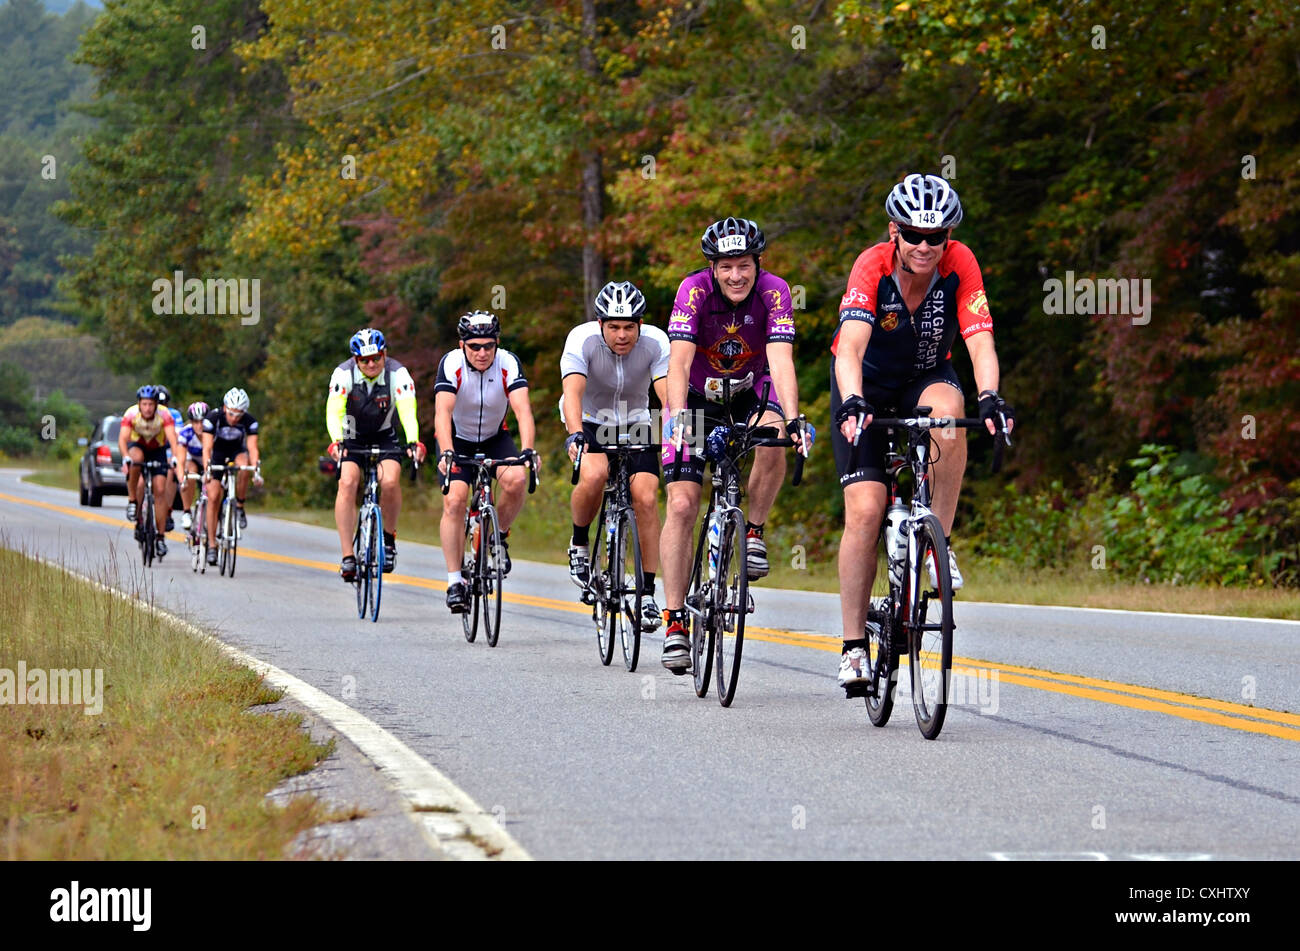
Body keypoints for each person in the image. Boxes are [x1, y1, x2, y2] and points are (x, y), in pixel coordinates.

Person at [831, 173, 1015, 690]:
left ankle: (937, 542)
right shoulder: (872, 265)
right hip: (863, 383)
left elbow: (980, 338)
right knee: (866, 512)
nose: (925, 246)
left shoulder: (961, 262)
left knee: (949, 419)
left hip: (925, 376)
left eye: (937, 237)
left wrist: (990, 397)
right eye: (914, 234)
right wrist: (851, 401)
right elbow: (850, 347)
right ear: (895, 231)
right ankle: (851, 649)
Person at [658, 217, 809, 672]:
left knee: (775, 432)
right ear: (712, 267)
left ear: (757, 263)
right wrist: (679, 415)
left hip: (750, 392)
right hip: (698, 398)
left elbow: (780, 361)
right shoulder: (693, 292)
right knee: (683, 505)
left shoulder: (776, 291)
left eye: (743, 265)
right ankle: (674, 619)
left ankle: (754, 531)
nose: (736, 276)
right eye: (726, 267)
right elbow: (679, 364)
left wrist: (794, 415)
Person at [561, 280, 670, 632]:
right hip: (591, 419)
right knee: (594, 475)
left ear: (640, 324)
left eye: (629, 327)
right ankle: (579, 543)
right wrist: (576, 433)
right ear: (600, 325)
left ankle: (649, 593)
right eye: (613, 327)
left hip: (636, 420)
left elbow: (667, 397)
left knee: (646, 497)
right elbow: (573, 392)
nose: (621, 335)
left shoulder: (657, 342)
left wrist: (675, 430)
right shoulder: (582, 339)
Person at [436, 311, 537, 613]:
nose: (482, 353)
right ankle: (455, 581)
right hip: (459, 439)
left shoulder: (508, 362)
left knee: (517, 480)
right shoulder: (451, 363)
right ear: (462, 345)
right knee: (455, 501)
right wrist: (445, 450)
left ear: (497, 343)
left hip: (495, 436)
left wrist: (529, 449)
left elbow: (523, 410)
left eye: (489, 346)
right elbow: (442, 413)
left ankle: (498, 536)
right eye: (475, 346)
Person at [326, 328, 425, 580]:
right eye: (364, 360)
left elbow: (407, 410)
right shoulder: (343, 374)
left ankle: (388, 539)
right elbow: (334, 410)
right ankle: (348, 556)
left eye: (376, 358)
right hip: (352, 436)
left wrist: (413, 441)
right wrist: (336, 441)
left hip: (385, 436)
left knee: (390, 481)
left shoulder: (398, 374)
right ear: (355, 360)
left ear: (385, 354)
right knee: (347, 482)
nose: (371, 364)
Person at [118, 384, 182, 558]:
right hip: (137, 445)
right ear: (139, 404)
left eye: (151, 404)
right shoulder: (131, 414)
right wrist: (125, 456)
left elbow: (172, 439)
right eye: (144, 404)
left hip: (157, 449)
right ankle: (133, 502)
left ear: (156, 405)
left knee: (160, 490)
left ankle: (160, 538)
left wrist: (175, 457)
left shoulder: (164, 415)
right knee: (136, 462)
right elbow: (123, 439)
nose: (147, 408)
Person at [201, 387, 262, 567]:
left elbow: (252, 448)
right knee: (213, 496)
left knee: (244, 467)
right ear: (225, 407)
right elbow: (206, 448)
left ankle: (240, 505)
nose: (234, 418)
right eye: (231, 413)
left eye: (239, 414)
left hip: (237, 451)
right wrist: (207, 469)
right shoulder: (213, 418)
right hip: (217, 453)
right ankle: (212, 545)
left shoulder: (249, 421)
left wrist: (256, 469)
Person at [177, 401, 208, 531]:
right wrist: (182, 480)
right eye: (196, 422)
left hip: (209, 461)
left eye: (202, 421)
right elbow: (181, 460)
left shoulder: (213, 431)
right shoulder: (186, 433)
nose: (199, 425)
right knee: (190, 473)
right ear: (191, 422)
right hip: (193, 460)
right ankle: (186, 511)